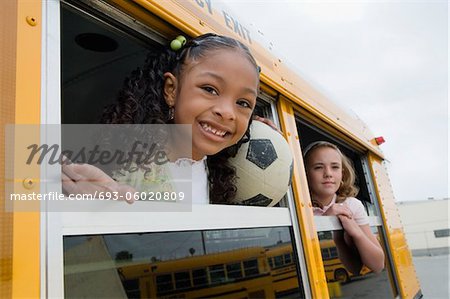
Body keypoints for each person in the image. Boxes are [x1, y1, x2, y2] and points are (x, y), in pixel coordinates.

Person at [62, 33, 262, 205]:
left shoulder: (218, 174)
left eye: (243, 103)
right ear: (171, 90)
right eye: (210, 89)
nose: (228, 113)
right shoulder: (127, 166)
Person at [304, 141, 385, 274]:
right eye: (318, 167)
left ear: (342, 173)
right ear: (305, 173)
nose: (328, 174)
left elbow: (375, 266)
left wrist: (353, 233)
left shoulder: (351, 205)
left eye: (335, 167)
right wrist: (326, 221)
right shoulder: (299, 208)